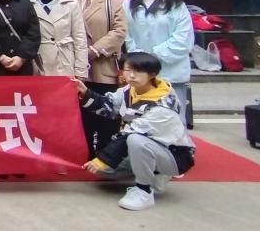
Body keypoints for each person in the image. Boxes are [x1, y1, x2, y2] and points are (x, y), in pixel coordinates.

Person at [80, 52, 195, 211]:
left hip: (174, 154)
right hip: (145, 146)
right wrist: (85, 92)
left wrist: (102, 159)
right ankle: (153, 173)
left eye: (138, 71)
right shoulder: (130, 90)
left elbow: (129, 134)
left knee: (135, 140)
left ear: (152, 74)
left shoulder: (162, 105)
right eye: (128, 70)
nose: (132, 75)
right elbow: (109, 105)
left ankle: (144, 191)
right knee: (106, 171)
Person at [123, 0, 194, 126]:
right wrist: (138, 55)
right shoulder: (129, 3)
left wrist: (154, 54)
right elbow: (125, 33)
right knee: (141, 117)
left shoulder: (176, 4)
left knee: (174, 117)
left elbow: (183, 37)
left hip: (170, 68)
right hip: (139, 68)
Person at [75, 0, 127, 157]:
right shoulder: (68, 0)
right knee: (83, 113)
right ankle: (86, 151)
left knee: (106, 112)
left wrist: (94, 50)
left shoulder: (111, 2)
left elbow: (119, 31)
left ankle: (106, 153)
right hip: (77, 66)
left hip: (102, 65)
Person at [30, 0, 88, 81]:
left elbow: (80, 39)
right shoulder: (28, 4)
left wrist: (81, 70)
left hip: (64, 60)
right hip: (38, 61)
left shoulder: (71, 4)